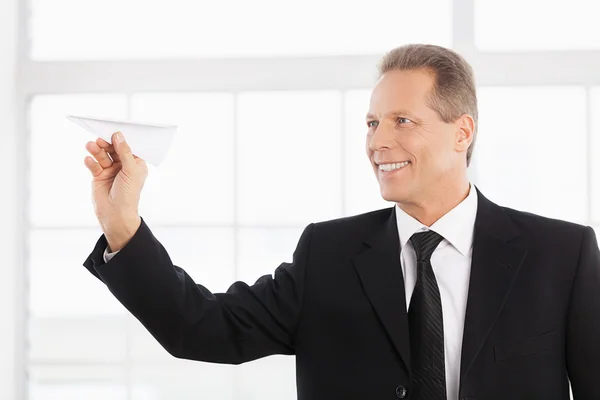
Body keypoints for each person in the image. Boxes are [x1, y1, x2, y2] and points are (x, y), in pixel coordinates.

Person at [82, 44, 600, 400]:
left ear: (462, 132)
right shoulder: (328, 254)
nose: (377, 142)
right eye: (372, 123)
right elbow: (201, 329)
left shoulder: (562, 254)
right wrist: (122, 223)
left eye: (402, 121)